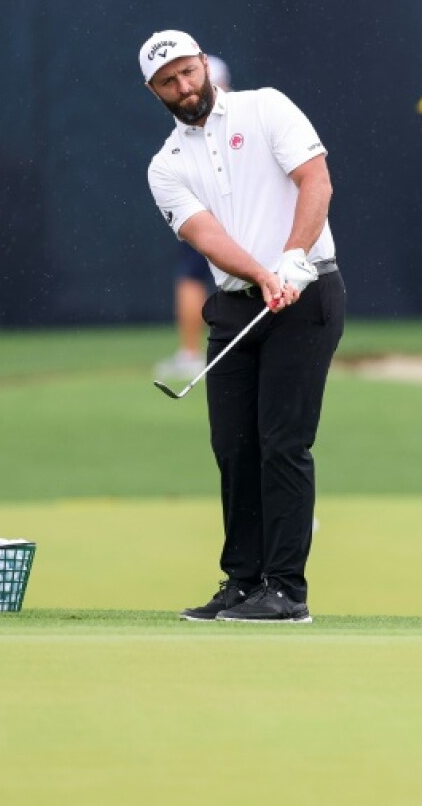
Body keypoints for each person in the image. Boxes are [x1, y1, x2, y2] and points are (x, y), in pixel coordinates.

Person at [140, 30, 345, 623]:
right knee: (233, 446)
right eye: (168, 82)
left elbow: (316, 180)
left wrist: (292, 258)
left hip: (306, 292)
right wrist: (261, 273)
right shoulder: (165, 165)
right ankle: (243, 582)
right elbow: (205, 235)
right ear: (154, 92)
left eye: (188, 72)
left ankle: (286, 591)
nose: (184, 87)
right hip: (236, 304)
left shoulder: (266, 107)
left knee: (283, 443)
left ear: (205, 65)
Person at [154, 55, 233, 382]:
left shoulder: (191, 131)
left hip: (207, 213)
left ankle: (190, 354)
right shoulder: (241, 120)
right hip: (222, 211)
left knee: (192, 276)